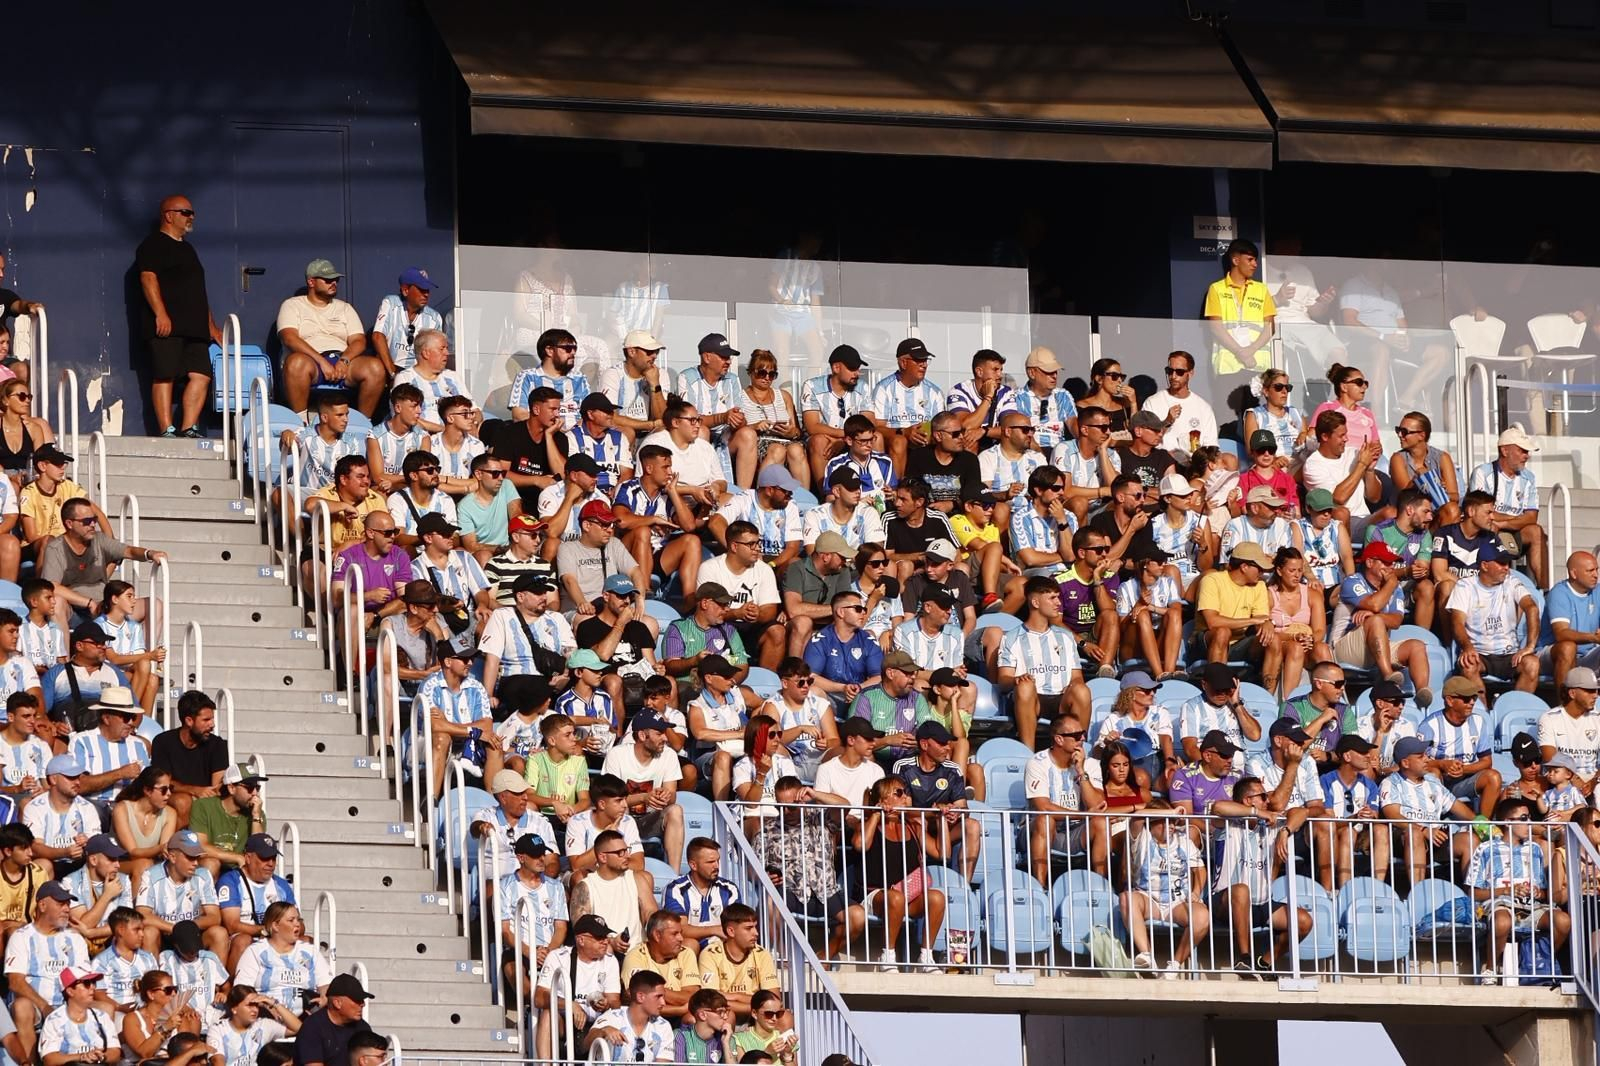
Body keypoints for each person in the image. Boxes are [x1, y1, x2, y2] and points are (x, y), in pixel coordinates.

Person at [135, 195, 222, 438]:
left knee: (202, 375)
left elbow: (197, 291)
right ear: (168, 215)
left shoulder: (188, 249)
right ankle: (166, 429)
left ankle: (189, 427)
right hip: (167, 326)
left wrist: (212, 327)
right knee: (165, 374)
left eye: (192, 213)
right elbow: (148, 278)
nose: (191, 217)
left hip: (195, 328)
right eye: (185, 212)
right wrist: (160, 313)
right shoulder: (152, 245)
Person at [1468, 796, 1569, 985]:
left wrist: (1539, 893)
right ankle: (1490, 968)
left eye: (1530, 817)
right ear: (1507, 822)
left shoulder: (1535, 849)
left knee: (1563, 921)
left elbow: (1546, 891)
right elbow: (1473, 893)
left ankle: (1541, 959)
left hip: (1532, 907)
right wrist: (1508, 890)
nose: (1529, 822)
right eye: (1524, 819)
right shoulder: (1486, 849)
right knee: (1502, 921)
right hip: (1500, 904)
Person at [1331, 541, 1435, 706]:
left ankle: (1422, 694)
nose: (1390, 566)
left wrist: (1373, 613)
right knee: (1376, 621)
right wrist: (1392, 584)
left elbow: (1396, 621)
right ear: (1369, 562)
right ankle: (1388, 675)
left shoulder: (1394, 589)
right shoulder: (1353, 581)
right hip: (1344, 648)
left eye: (1391, 562)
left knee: (1417, 645)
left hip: (1377, 647)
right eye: (1385, 562)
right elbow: (1374, 604)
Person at [40, 498, 166, 632]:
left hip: (106, 606)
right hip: (74, 611)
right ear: (70, 523)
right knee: (57, 603)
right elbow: (52, 586)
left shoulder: (99, 539)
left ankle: (143, 652)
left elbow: (128, 550)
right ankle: (63, 653)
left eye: (94, 519)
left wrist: (149, 554)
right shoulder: (56, 548)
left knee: (155, 605)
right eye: (87, 521)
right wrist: (88, 602)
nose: (93, 524)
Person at [277, 260, 381, 417]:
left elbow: (359, 341)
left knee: (375, 368)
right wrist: (321, 361)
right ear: (311, 281)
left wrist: (344, 360)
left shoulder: (345, 308)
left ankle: (362, 425)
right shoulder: (292, 305)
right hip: (310, 362)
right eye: (327, 280)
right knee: (296, 363)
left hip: (343, 360)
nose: (333, 283)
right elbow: (289, 338)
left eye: (336, 280)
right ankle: (300, 423)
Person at [998, 576, 1090, 750]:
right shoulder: (1011, 637)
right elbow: (1003, 680)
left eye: (1058, 597)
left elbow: (1077, 677)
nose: (1058, 603)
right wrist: (1017, 679)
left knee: (1082, 690)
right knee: (1025, 686)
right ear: (1035, 602)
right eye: (1052, 598)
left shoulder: (1065, 636)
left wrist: (1074, 685)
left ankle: (1078, 750)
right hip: (1032, 699)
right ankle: (1027, 752)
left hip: (1061, 698)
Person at [5, 879, 93, 1061]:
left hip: (69, 1005)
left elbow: (84, 979)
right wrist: (45, 1007)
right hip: (36, 1007)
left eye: (68, 904)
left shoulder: (74, 938)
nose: (67, 909)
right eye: (61, 903)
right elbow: (15, 982)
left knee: (105, 1008)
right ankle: (28, 1062)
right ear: (42, 905)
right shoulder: (21, 937)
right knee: (22, 1007)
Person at [1121, 802, 1210, 977]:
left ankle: (1175, 966)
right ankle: (1147, 955)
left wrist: (1196, 891)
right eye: (1165, 821)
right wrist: (1171, 811)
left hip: (1177, 902)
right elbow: (1137, 815)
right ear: (1151, 823)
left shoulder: (1184, 841)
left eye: (1173, 822)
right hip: (1148, 899)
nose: (1171, 826)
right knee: (1126, 898)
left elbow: (1199, 869)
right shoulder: (1142, 837)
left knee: (1202, 916)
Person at [613, 443, 704, 604]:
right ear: (649, 469)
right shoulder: (628, 488)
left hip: (658, 555)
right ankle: (643, 591)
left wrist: (674, 492)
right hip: (627, 555)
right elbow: (621, 520)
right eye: (665, 467)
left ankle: (690, 600)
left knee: (692, 540)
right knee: (643, 532)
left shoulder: (666, 496)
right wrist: (653, 520)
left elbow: (689, 526)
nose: (670, 472)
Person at [1380, 736, 1476, 886]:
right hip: (1404, 838)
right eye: (1420, 756)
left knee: (1469, 840)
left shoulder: (1433, 781)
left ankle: (1473, 895)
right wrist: (1423, 829)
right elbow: (1392, 814)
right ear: (1405, 763)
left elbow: (1458, 808)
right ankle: (1419, 893)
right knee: (1414, 834)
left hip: (1435, 837)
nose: (1427, 759)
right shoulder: (1390, 782)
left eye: (1426, 754)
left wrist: (1486, 826)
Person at [1446, 543, 1539, 692]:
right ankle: (1482, 712)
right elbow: (1457, 622)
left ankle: (1515, 711)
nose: (1506, 567)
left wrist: (1530, 647)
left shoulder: (1511, 581)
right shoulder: (1465, 586)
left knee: (1532, 664)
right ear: (1484, 565)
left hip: (1510, 655)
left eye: (1507, 563)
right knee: (1469, 666)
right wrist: (1467, 647)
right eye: (1501, 563)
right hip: (1480, 653)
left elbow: (1532, 607)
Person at [600, 713, 686, 872]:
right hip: (621, 819)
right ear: (641, 735)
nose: (666, 738)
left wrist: (665, 796)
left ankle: (673, 874)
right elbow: (609, 799)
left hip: (650, 819)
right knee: (614, 811)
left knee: (675, 810)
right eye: (659, 734)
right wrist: (645, 797)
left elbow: (672, 795)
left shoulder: (669, 755)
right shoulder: (617, 755)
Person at [534, 914, 620, 1060]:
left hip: (595, 1024)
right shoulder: (558, 957)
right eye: (599, 938)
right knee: (548, 1014)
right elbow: (539, 997)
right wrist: (569, 1004)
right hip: (565, 1023)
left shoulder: (610, 961)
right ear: (581, 939)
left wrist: (605, 1004)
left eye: (606, 937)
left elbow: (615, 1002)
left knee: (609, 1027)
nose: (605, 942)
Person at [479, 575, 575, 700]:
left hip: (552, 677)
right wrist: (488, 697)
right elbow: (492, 659)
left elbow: (571, 654)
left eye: (544, 593)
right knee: (530, 686)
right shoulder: (502, 616)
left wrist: (565, 676)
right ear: (520, 597)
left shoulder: (556, 618)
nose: (544, 597)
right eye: (538, 593)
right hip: (517, 679)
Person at [1419, 676, 1502, 817]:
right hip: (1438, 781)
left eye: (1474, 698)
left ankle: (1483, 828)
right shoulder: (1430, 726)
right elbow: (1418, 763)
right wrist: (1441, 764)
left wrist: (1463, 769)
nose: (1472, 703)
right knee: (1433, 772)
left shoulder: (1479, 722)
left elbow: (1487, 761)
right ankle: (1433, 823)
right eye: (1466, 699)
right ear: (1450, 700)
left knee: (1493, 777)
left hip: (1464, 780)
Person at [135, 831, 224, 956]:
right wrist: (175, 929)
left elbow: (215, 917)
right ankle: (153, 974)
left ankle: (216, 975)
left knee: (219, 934)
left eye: (197, 857)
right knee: (149, 933)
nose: (196, 863)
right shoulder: (151, 875)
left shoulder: (203, 875)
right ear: (172, 857)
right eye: (190, 857)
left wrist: (188, 928)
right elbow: (142, 914)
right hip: (164, 935)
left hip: (193, 934)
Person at [729, 349, 807, 490]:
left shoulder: (784, 396)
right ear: (751, 372)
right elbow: (735, 429)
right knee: (777, 450)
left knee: (796, 449)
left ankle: (804, 500)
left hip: (785, 440)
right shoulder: (740, 397)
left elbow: (797, 431)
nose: (767, 378)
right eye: (762, 373)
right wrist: (756, 426)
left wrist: (791, 432)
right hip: (758, 443)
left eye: (772, 374)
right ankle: (763, 495)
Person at [555, 500, 648, 617]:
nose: (610, 530)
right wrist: (582, 603)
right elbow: (569, 580)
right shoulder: (567, 548)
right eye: (604, 525)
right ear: (587, 525)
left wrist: (639, 601)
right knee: (587, 622)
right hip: (579, 610)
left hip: (611, 609)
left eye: (611, 525)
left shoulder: (614, 544)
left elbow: (635, 572)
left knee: (651, 624)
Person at [216, 833, 293, 970]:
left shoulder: (281, 884)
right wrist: (266, 930)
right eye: (264, 858)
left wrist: (287, 930)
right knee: (243, 940)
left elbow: (297, 921)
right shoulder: (231, 881)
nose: (270, 863)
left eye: (273, 858)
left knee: (305, 941)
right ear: (248, 858)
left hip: (275, 939)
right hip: (244, 941)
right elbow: (232, 925)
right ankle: (233, 988)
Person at [1319, 735, 1387, 888]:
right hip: (1335, 835)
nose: (1368, 756)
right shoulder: (1326, 781)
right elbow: (1330, 823)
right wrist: (1355, 817)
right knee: (1348, 832)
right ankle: (1345, 889)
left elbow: (1374, 814)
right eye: (1362, 752)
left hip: (1363, 834)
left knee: (1381, 829)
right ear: (1347, 756)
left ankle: (1378, 888)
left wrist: (1370, 815)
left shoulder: (1370, 785)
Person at [868, 338, 943, 477]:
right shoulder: (884, 388)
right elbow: (877, 428)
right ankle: (896, 492)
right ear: (903, 363)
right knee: (899, 441)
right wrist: (904, 432)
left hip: (925, 443)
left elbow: (940, 426)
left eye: (925, 360)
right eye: (918, 360)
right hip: (895, 440)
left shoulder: (934, 392)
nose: (924, 365)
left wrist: (927, 435)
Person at [149, 692, 227, 826]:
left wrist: (204, 795)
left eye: (212, 719)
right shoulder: (163, 742)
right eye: (206, 720)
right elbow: (163, 783)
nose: (212, 725)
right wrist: (194, 790)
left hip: (205, 799)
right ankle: (174, 845)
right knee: (183, 801)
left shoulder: (217, 745)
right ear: (189, 721)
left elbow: (217, 786)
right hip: (171, 796)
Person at [233, 902, 328, 1011]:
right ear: (275, 926)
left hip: (307, 1012)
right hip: (267, 1013)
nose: (297, 924)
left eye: (298, 920)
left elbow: (325, 982)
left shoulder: (310, 951)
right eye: (291, 920)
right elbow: (242, 990)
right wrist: (265, 1006)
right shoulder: (255, 951)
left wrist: (324, 998)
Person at [571, 827, 655, 947]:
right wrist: (611, 942)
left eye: (627, 850)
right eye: (620, 852)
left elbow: (650, 911)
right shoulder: (585, 887)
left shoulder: (637, 879)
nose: (627, 856)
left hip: (636, 954)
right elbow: (582, 931)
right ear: (603, 857)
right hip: (602, 953)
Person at [470, 771, 559, 884]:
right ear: (503, 797)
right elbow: (474, 829)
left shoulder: (540, 822)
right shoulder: (486, 816)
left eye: (525, 792)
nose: (525, 797)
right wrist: (482, 827)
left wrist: (538, 884)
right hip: (496, 884)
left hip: (533, 884)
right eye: (519, 793)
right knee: (491, 889)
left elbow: (552, 862)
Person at [1194, 541, 1275, 665]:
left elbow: (1261, 619)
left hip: (1239, 642)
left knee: (1273, 640)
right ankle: (1217, 681)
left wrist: (1266, 625)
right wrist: (1253, 621)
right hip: (1206, 641)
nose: (1262, 573)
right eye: (1259, 568)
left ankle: (1267, 683)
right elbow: (1213, 622)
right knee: (1222, 632)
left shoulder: (1259, 585)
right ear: (1244, 567)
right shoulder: (1212, 581)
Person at [1204, 239, 1275, 378]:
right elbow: (1215, 327)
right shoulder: (1217, 289)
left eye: (1255, 260)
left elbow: (1270, 326)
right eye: (1250, 260)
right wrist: (1240, 352)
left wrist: (1251, 350)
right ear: (1236, 261)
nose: (1255, 264)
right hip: (1228, 366)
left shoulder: (1262, 290)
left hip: (1257, 365)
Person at [1262, 547, 1327, 697]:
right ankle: (1288, 700)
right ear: (1279, 570)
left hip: (1305, 642)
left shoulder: (1312, 595)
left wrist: (1310, 639)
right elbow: (1267, 631)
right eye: (1292, 571)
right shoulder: (1269, 594)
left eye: (1299, 570)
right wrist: (1294, 637)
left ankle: (1331, 697)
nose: (1297, 575)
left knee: (1322, 648)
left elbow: (1320, 630)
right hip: (1279, 643)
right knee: (1295, 647)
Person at [66, 685, 147, 805]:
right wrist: (120, 773)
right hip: (93, 805)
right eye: (125, 717)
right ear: (107, 718)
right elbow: (79, 785)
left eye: (132, 717)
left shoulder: (138, 744)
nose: (131, 723)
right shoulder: (82, 741)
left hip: (128, 807)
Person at [619, 910, 700, 1021]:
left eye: (681, 933)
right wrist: (679, 1009)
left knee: (693, 1018)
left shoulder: (686, 954)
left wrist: (653, 993)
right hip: (646, 1019)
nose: (681, 938)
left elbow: (693, 996)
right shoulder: (635, 956)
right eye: (674, 934)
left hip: (680, 1017)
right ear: (657, 935)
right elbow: (637, 1001)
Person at [26, 753, 102, 872]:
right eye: (71, 777)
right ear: (53, 779)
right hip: (49, 863)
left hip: (80, 864)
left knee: (101, 861)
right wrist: (64, 853)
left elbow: (97, 846)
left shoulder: (87, 807)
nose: (77, 782)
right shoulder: (34, 808)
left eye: (78, 777)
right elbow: (35, 847)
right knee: (43, 865)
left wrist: (88, 843)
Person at [38, 966, 121, 1066]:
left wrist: (102, 1057)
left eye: (93, 982)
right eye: (86, 983)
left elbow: (115, 1052)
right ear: (70, 991)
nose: (93, 987)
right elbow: (50, 1059)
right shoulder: (54, 1020)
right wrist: (82, 1057)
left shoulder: (102, 1016)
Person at [510, 328, 591, 430]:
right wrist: (553, 431)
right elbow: (519, 415)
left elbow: (589, 415)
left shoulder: (579, 379)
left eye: (575, 348)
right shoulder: (528, 377)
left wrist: (572, 434)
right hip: (541, 440)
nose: (573, 352)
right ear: (549, 350)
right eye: (568, 348)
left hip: (575, 440)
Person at [564, 775, 644, 877]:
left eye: (625, 799)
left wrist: (609, 866)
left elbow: (639, 864)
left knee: (645, 876)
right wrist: (606, 839)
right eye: (619, 800)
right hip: (590, 876)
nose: (625, 805)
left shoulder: (628, 822)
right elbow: (577, 866)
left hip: (618, 874)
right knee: (578, 877)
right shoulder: (577, 822)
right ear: (602, 804)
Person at [395, 328, 469, 435]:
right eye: (442, 349)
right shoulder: (405, 379)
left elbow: (474, 409)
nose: (447, 353)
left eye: (447, 348)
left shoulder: (453, 377)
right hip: (424, 439)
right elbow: (405, 417)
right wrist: (444, 430)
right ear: (426, 353)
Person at [587, 970, 674, 1060]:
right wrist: (603, 1031)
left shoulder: (664, 1026)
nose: (663, 1002)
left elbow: (663, 1062)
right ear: (640, 997)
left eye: (663, 997)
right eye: (658, 996)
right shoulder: (611, 1017)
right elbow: (584, 1047)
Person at [1539, 667, 1600, 794]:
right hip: (1561, 777)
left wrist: (1594, 781)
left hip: (1592, 778)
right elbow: (1549, 757)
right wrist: (1574, 778)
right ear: (1572, 693)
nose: (1595, 695)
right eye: (1590, 691)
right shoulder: (1549, 718)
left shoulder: (1597, 718)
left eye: (1596, 691)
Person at [292, 972, 374, 1066]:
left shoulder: (362, 1028)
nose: (363, 1004)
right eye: (357, 1000)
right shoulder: (312, 1027)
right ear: (337, 1003)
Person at [1390, 411, 1459, 522]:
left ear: (1421, 435)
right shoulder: (1398, 458)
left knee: (1452, 509)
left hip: (1434, 516)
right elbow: (1404, 495)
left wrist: (1440, 491)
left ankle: (1444, 539)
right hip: (1410, 515)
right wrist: (1418, 480)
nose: (1399, 435)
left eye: (1404, 432)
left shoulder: (1442, 457)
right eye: (1398, 430)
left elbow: (1455, 497)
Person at [121, 969, 203, 1063]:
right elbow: (144, 1053)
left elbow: (185, 1052)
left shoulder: (179, 1016)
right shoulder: (132, 1019)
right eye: (168, 990)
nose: (174, 994)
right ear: (151, 994)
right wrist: (165, 1028)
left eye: (175, 989)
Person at [599, 330, 668, 440]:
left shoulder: (660, 374)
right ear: (631, 352)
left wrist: (655, 384)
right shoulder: (613, 374)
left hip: (651, 433)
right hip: (622, 431)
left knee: (663, 432)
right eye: (649, 352)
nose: (654, 356)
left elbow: (662, 418)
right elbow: (611, 417)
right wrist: (649, 425)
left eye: (657, 351)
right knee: (627, 432)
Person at [210, 984, 302, 1066]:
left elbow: (297, 1028)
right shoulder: (218, 1030)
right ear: (234, 1009)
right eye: (250, 1005)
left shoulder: (263, 1025)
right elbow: (217, 1061)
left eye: (256, 1005)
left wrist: (274, 1003)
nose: (255, 1010)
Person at [945, 347, 1015, 453]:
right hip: (968, 447)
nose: (1000, 375)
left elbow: (1011, 429)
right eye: (995, 370)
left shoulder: (1006, 392)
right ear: (979, 372)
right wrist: (988, 398)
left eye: (1001, 370)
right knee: (970, 442)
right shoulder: (958, 391)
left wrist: (984, 431)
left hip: (997, 448)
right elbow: (966, 425)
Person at [386, 450, 456, 552]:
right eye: (430, 470)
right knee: (406, 550)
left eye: (437, 469)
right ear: (414, 475)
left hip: (441, 551)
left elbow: (455, 537)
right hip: (413, 552)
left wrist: (435, 540)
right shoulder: (397, 499)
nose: (436, 474)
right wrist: (427, 538)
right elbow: (398, 538)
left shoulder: (445, 499)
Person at [811, 718, 885, 813]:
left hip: (865, 825)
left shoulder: (876, 771)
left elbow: (880, 806)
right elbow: (821, 808)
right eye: (868, 739)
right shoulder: (825, 769)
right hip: (834, 825)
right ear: (851, 740)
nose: (873, 743)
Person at [1014, 347, 1078, 451]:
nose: (1054, 376)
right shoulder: (1017, 397)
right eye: (1049, 372)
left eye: (1056, 371)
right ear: (1032, 373)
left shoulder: (1063, 396)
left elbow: (1075, 428)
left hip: (1058, 452)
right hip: (1029, 452)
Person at [1311, 363, 1381, 451]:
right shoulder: (1327, 408)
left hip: (1364, 462)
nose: (1364, 387)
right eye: (1359, 382)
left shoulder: (1367, 413)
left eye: (1365, 383)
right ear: (1344, 387)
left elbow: (1376, 445)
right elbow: (1312, 439)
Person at [1242, 368, 1308, 459]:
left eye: (1287, 387)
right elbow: (1251, 451)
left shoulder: (1296, 412)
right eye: (1278, 387)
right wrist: (1274, 460)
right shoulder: (1255, 415)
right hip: (1271, 465)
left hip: (1299, 461)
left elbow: (1305, 433)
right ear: (1266, 391)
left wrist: (1304, 435)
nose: (1284, 391)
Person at [429, 395, 487, 493]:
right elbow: (428, 481)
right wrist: (465, 487)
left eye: (471, 413)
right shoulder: (431, 444)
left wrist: (444, 479)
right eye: (465, 413)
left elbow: (480, 481)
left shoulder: (477, 445)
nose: (471, 418)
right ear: (450, 418)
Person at [673, 987, 737, 1064]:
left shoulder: (727, 1037)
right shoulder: (681, 1036)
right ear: (702, 1015)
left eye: (726, 1011)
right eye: (720, 1012)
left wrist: (726, 1044)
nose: (726, 1017)